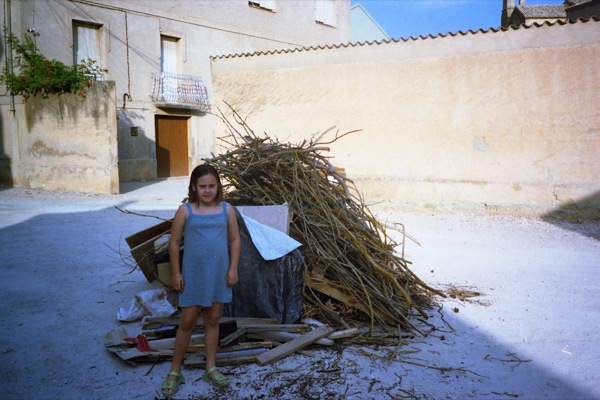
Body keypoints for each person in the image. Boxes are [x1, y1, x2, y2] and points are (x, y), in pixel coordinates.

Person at [161, 163, 241, 397]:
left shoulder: (227, 210)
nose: (207, 191)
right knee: (187, 321)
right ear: (194, 187)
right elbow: (174, 243)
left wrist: (233, 267)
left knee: (213, 319)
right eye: (202, 186)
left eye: (212, 186)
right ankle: (175, 370)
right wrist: (176, 273)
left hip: (218, 273)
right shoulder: (186, 211)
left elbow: (235, 240)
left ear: (218, 187)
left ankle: (211, 367)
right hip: (193, 275)